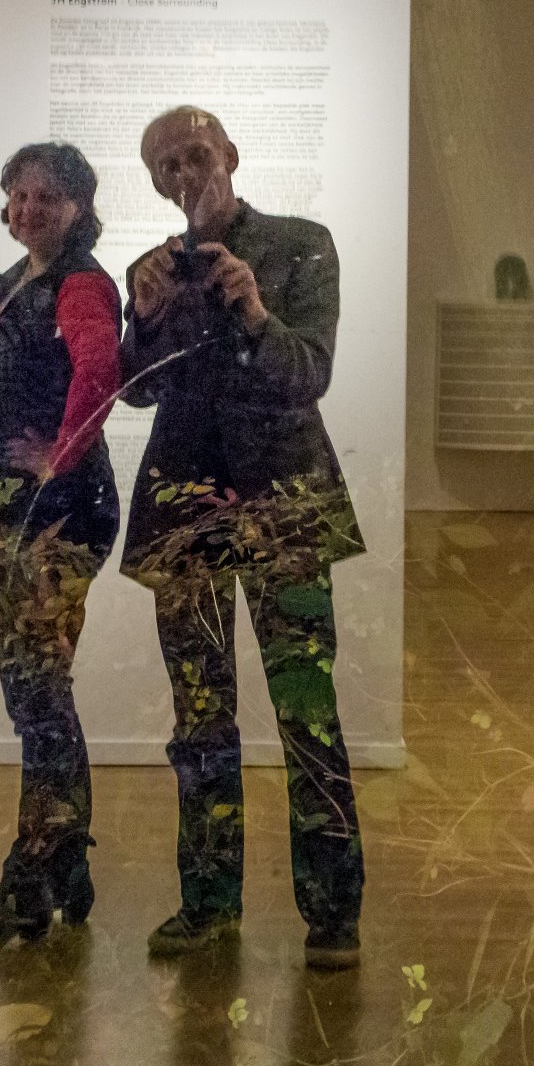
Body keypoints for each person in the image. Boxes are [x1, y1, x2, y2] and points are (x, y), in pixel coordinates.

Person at [121, 106, 367, 969]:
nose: (188, 174)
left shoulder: (303, 244)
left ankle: (334, 914)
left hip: (285, 507)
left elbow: (311, 375)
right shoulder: (153, 267)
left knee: (306, 709)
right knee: (199, 716)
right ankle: (207, 905)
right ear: (157, 184)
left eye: (198, 154)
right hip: (184, 514)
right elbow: (134, 391)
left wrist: (257, 313)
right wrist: (145, 317)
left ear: (230, 153)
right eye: (169, 166)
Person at [0, 142, 122, 948]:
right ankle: (64, 869)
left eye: (47, 196)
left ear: (78, 206)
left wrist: (61, 454)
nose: (29, 208)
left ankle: (31, 883)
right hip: (7, 516)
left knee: (39, 699)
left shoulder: (79, 283)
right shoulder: (19, 280)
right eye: (19, 194)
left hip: (51, 518)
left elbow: (99, 372)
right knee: (37, 697)